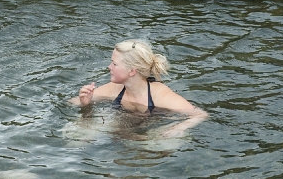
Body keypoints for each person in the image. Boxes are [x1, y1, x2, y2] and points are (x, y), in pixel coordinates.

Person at [73, 39, 207, 136]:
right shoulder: (115, 88)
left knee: (166, 142)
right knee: (75, 133)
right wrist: (85, 102)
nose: (109, 67)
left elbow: (200, 115)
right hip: (120, 128)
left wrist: (178, 128)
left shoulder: (159, 94)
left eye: (114, 64)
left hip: (148, 131)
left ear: (132, 71)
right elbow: (72, 102)